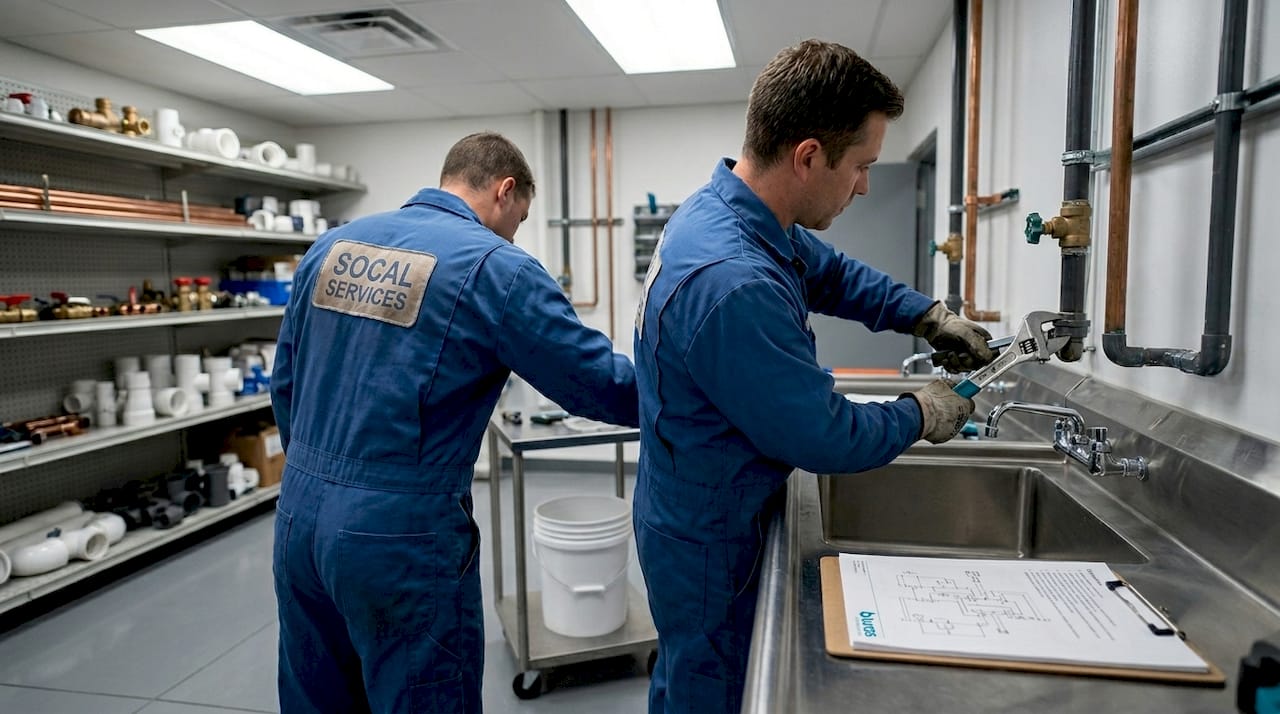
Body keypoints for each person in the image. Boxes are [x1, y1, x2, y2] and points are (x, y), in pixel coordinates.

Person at [632, 40, 995, 713]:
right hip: (712, 532)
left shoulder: (740, 214)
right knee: (709, 687)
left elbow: (832, 274)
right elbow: (822, 434)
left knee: (688, 669)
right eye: (860, 166)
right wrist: (923, 412)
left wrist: (925, 316)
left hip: (696, 497)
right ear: (807, 156)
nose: (863, 185)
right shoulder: (731, 281)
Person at [270, 131, 639, 714]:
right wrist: (699, 396)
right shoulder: (497, 267)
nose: (514, 232)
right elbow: (598, 383)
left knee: (320, 696)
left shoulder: (332, 248)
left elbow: (286, 384)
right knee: (422, 696)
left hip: (298, 516)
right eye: (517, 219)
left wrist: (324, 478)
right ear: (504, 189)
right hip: (399, 533)